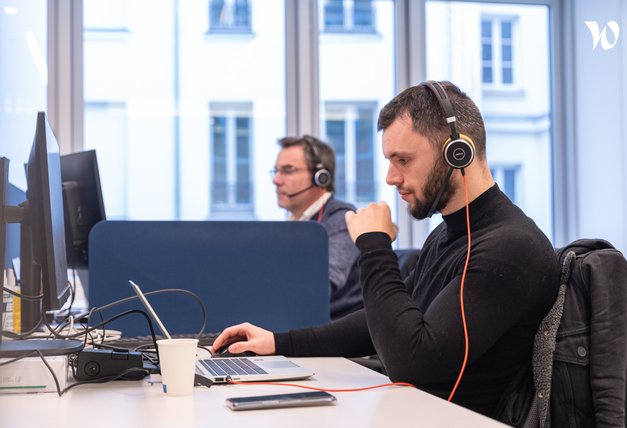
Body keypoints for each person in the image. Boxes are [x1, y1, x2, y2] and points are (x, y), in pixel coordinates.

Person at [213, 81, 560, 422]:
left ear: (459, 152)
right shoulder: (447, 234)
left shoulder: (509, 247)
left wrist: (374, 245)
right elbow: (376, 323)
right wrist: (277, 341)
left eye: (404, 160)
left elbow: (413, 362)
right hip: (410, 413)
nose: (391, 178)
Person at [271, 135, 363, 320]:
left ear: (320, 177)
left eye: (288, 171)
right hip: (300, 323)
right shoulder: (294, 226)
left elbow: (321, 285)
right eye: (276, 171)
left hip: (338, 330)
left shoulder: (342, 218)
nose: (277, 180)